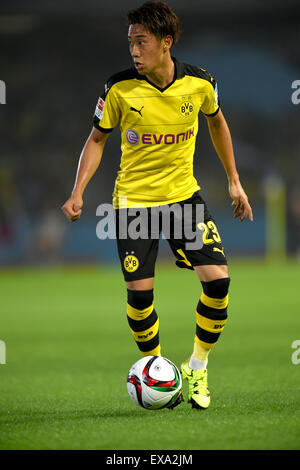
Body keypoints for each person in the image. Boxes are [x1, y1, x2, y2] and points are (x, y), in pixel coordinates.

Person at [61, 1, 253, 410]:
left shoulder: (200, 83)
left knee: (218, 281)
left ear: (166, 42)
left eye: (141, 42)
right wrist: (78, 191)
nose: (133, 50)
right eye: (130, 42)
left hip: (184, 197)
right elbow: (96, 140)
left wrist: (234, 181)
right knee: (140, 297)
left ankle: (197, 366)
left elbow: (217, 122)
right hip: (134, 205)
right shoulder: (119, 88)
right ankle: (157, 368)